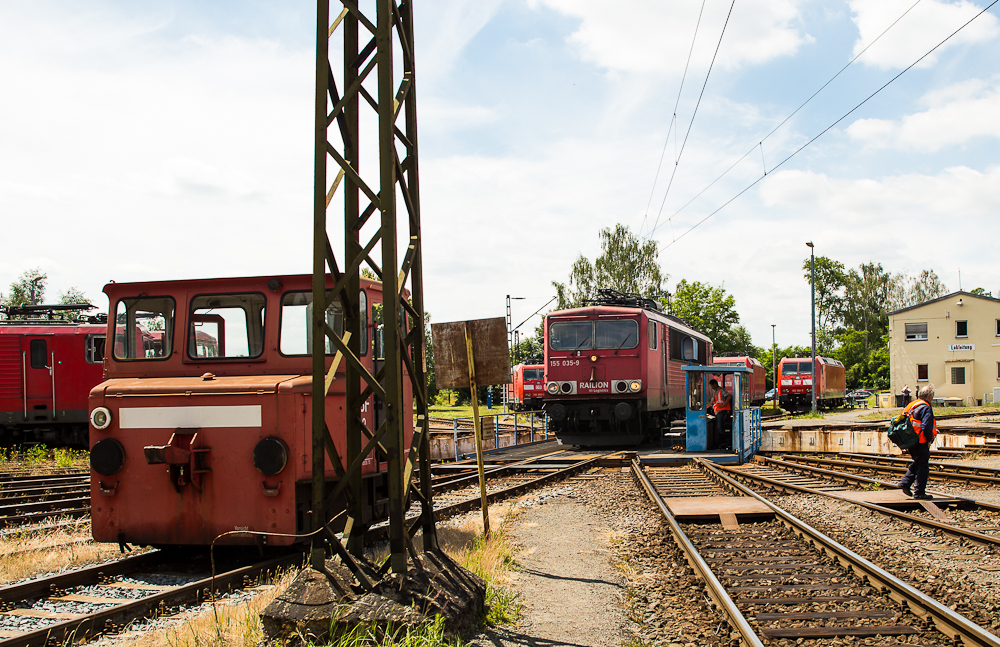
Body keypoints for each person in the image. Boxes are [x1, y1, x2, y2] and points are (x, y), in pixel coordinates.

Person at [897, 384, 938, 500]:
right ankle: (919, 492)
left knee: (918, 462)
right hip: (921, 441)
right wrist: (929, 440)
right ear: (929, 396)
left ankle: (905, 482)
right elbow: (926, 427)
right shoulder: (925, 407)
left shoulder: (911, 405)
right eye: (932, 395)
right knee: (923, 466)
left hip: (910, 440)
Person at [708, 378, 732, 450]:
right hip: (718, 411)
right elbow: (712, 402)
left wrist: (724, 404)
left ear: (715, 384)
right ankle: (720, 443)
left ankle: (722, 444)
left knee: (720, 427)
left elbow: (729, 396)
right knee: (718, 427)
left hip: (722, 411)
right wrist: (703, 408)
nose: (711, 388)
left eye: (711, 386)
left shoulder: (722, 390)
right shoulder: (715, 392)